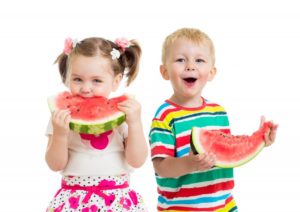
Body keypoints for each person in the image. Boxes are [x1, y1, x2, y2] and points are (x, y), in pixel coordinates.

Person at [149, 28, 278, 211]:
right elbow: (161, 167)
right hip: (180, 208)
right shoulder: (164, 115)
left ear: (211, 72)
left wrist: (260, 140)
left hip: (223, 206)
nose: (190, 66)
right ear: (164, 72)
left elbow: (228, 149)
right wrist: (189, 163)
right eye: (180, 60)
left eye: (199, 60)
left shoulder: (218, 112)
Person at [45, 37, 148, 211]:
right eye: (77, 79)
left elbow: (137, 161)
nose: (86, 88)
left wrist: (135, 124)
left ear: (116, 81)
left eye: (96, 81)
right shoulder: (61, 117)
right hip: (74, 199)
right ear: (67, 77)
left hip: (117, 200)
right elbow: (55, 165)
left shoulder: (123, 115)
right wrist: (60, 134)